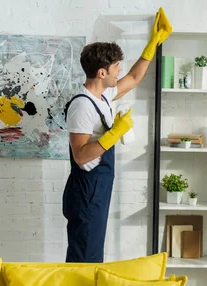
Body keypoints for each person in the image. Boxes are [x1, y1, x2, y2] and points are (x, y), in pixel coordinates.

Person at [62, 8, 172, 263]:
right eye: (114, 67)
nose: (118, 71)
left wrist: (153, 43)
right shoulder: (82, 106)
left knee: (93, 253)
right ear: (101, 72)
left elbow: (134, 77)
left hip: (98, 187)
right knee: (84, 258)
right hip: (86, 189)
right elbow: (80, 156)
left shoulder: (103, 96)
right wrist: (115, 134)